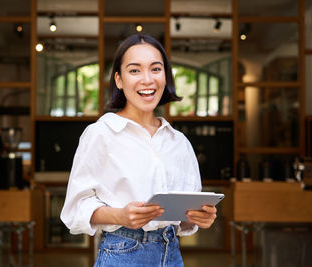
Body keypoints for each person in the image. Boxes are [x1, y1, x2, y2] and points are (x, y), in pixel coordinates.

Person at [60, 34, 217, 266]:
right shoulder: (101, 133)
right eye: (134, 70)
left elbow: (182, 217)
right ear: (119, 80)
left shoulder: (178, 142)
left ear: (165, 76)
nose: (147, 80)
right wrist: (120, 215)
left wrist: (199, 217)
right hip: (123, 252)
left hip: (172, 254)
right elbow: (75, 209)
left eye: (156, 69)